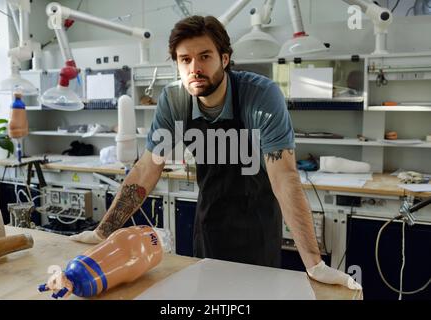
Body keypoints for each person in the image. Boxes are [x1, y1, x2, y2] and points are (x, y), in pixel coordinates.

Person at [71, 15, 361, 290]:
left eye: (205, 57)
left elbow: (284, 177)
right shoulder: (175, 101)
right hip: (209, 222)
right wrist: (103, 231)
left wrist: (313, 263)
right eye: (185, 60)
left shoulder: (260, 96)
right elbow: (147, 168)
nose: (194, 68)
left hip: (258, 224)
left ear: (225, 58)